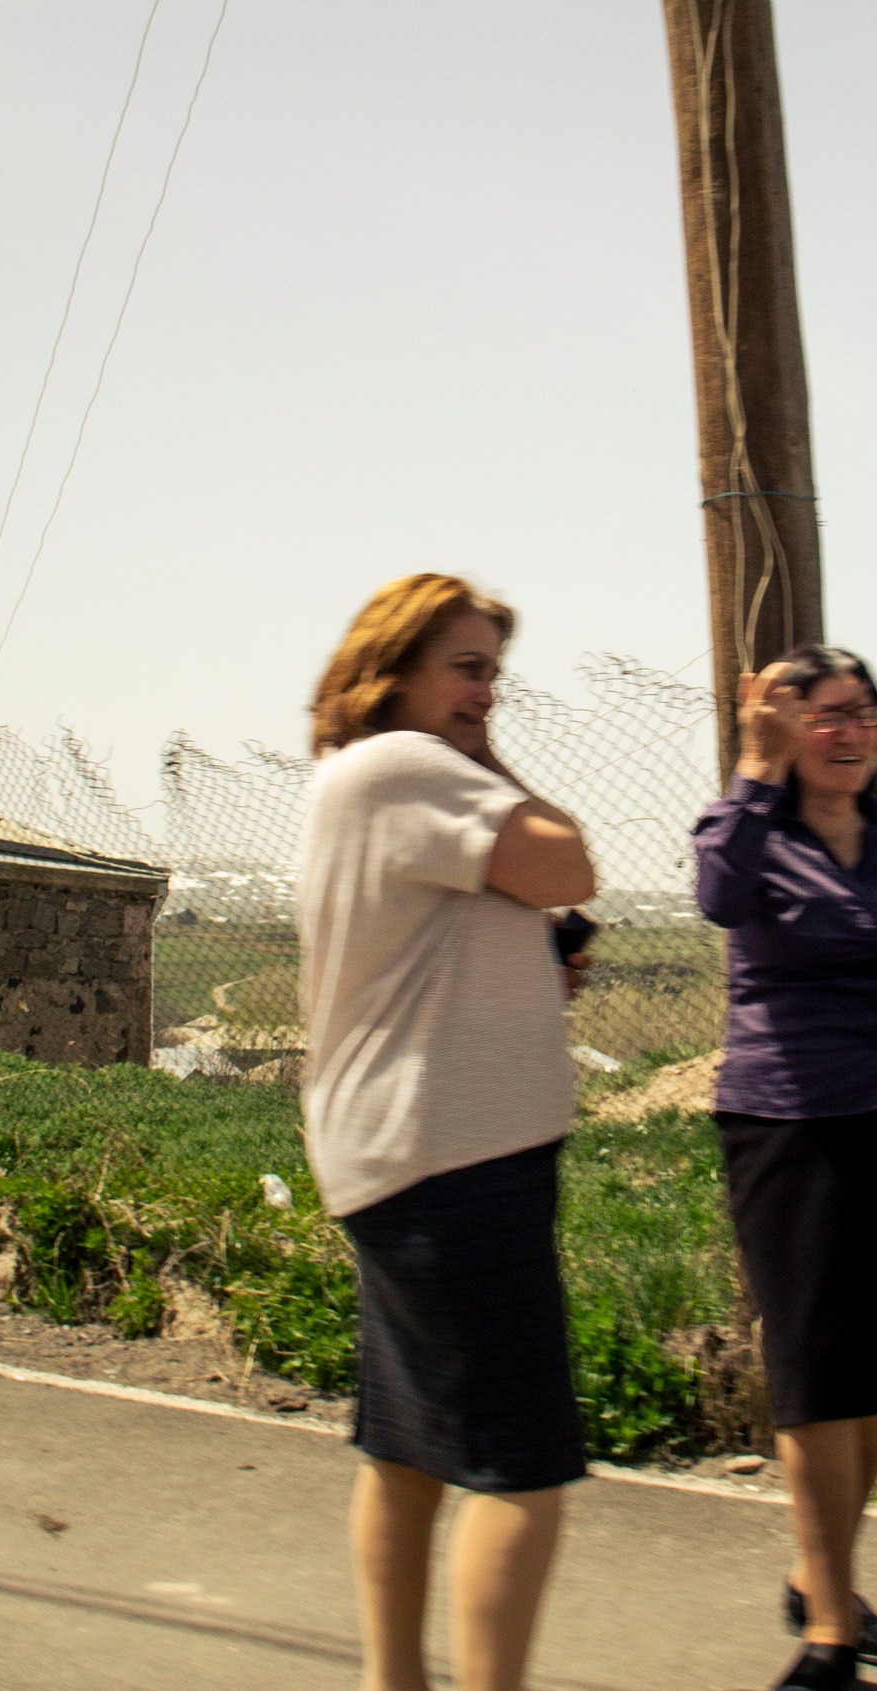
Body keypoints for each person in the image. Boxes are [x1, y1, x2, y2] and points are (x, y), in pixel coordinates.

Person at [297, 573, 597, 1691]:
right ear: (394, 672)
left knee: (409, 1446)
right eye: (466, 670)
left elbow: (466, 923)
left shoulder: (363, 781)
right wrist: (490, 762)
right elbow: (566, 859)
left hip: (408, 1158)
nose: (486, 697)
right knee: (520, 1470)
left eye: (492, 675)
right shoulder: (405, 765)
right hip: (453, 1164)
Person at [691, 646, 877, 1691]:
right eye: (824, 714)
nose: (847, 733)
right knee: (812, 1371)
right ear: (783, 728)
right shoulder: (745, 828)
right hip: (787, 1120)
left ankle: (819, 1574)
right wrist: (754, 774)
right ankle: (832, 1632)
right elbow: (715, 897)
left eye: (863, 715)